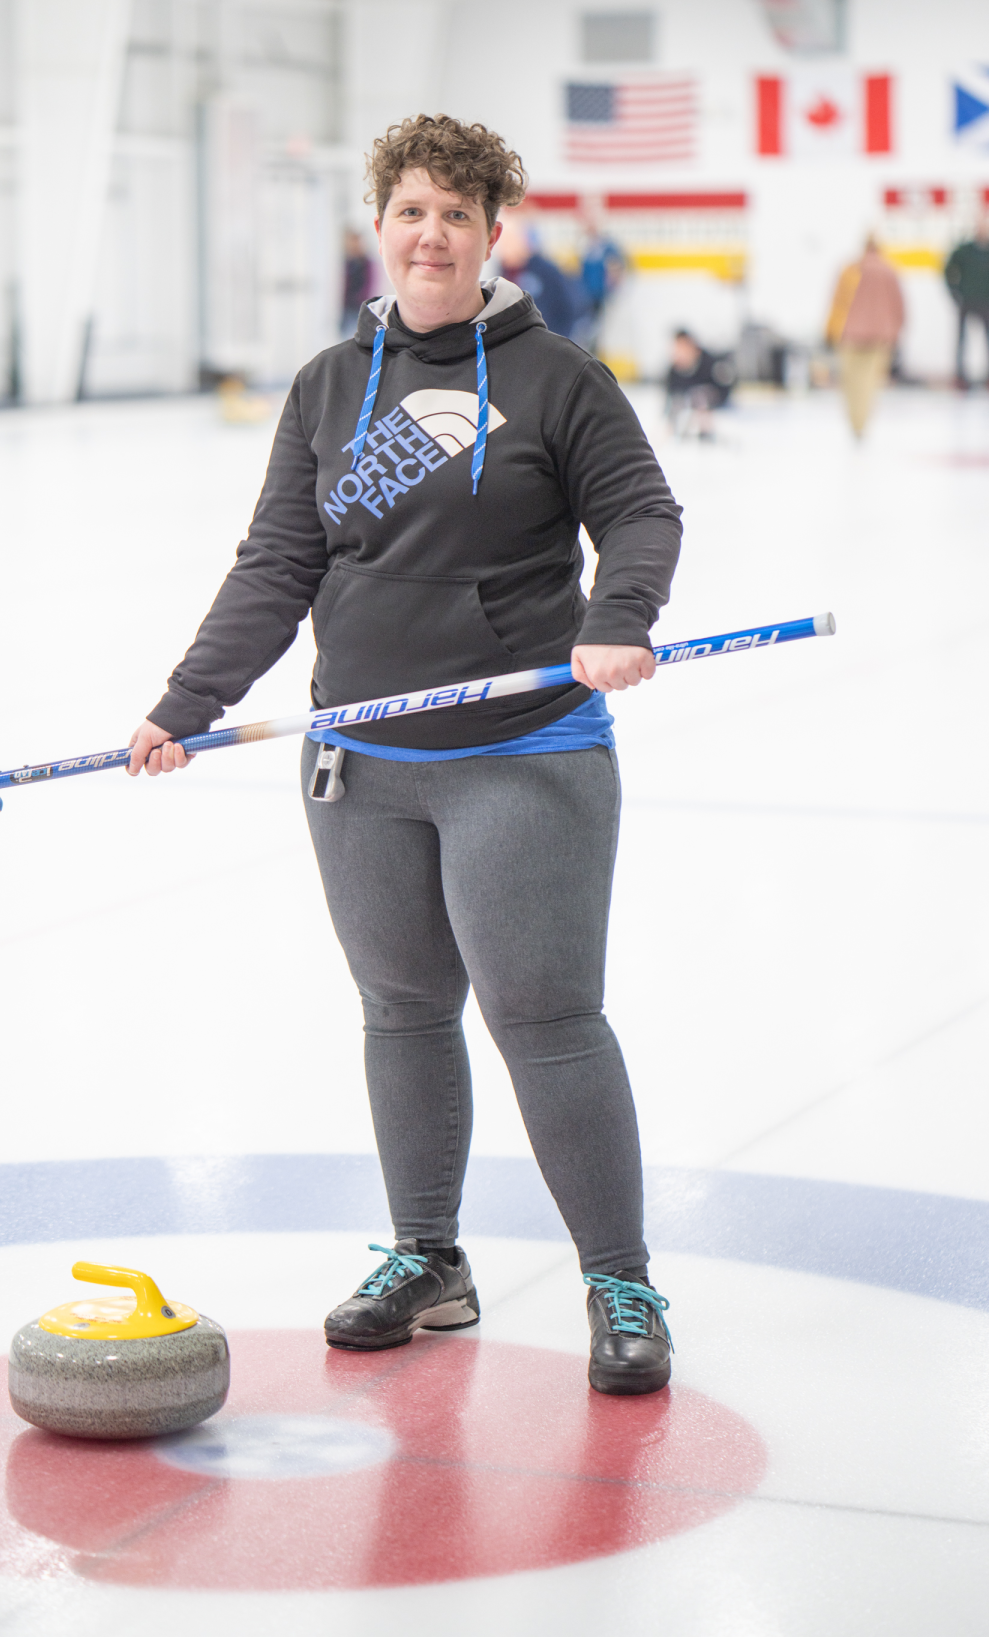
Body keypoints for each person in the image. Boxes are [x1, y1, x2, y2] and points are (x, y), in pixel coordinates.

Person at [127, 114, 683, 1397]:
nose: (430, 233)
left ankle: (621, 1276)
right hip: (358, 760)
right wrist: (190, 700)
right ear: (379, 226)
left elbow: (642, 513)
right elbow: (281, 559)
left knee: (544, 1020)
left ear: (494, 234)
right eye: (410, 210)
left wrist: (616, 622)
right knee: (402, 1013)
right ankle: (429, 1257)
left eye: (457, 213)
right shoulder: (332, 382)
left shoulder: (557, 381)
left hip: (522, 749)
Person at [826, 238, 905, 437]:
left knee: (851, 382)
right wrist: (896, 331)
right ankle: (863, 422)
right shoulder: (889, 271)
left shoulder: (851, 269)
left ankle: (855, 422)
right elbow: (899, 306)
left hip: (850, 334)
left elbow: (838, 301)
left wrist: (830, 331)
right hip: (880, 336)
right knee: (870, 383)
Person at [494, 213, 582, 339]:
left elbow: (570, 307)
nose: (503, 247)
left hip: (545, 344)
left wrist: (557, 339)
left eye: (508, 240)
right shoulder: (503, 273)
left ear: (523, 239)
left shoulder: (546, 270)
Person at [944, 216, 989, 388]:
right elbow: (948, 270)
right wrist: (955, 293)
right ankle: (960, 376)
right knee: (962, 339)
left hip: (986, 303)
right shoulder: (965, 250)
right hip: (967, 301)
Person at [665, 329, 734, 440]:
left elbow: (725, 389)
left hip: (714, 407)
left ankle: (705, 433)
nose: (682, 352)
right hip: (685, 411)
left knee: (700, 396)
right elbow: (670, 399)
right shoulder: (674, 371)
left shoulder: (710, 364)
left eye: (684, 348)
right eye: (679, 348)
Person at [574, 215, 626, 353]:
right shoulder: (584, 247)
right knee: (584, 330)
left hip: (600, 296)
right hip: (584, 297)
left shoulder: (606, 246)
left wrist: (611, 289)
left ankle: (593, 356)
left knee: (596, 331)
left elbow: (617, 267)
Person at [340, 227, 375, 341]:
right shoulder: (346, 262)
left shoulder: (366, 262)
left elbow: (369, 283)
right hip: (346, 306)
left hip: (360, 305)